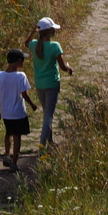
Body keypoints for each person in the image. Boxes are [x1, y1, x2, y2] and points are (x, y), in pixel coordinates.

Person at [23, 16, 74, 148]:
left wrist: (33, 31)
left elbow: (26, 43)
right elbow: (62, 66)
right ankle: (42, 144)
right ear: (50, 31)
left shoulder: (34, 45)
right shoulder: (55, 46)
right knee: (48, 116)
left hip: (39, 84)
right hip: (52, 84)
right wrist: (69, 68)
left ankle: (50, 142)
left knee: (46, 113)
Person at [0, 49, 36, 169]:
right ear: (18, 61)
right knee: (17, 137)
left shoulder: (0, 75)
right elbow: (24, 94)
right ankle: (14, 163)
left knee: (8, 133)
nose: (23, 63)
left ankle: (7, 154)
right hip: (18, 113)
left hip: (6, 113)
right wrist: (32, 104)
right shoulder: (21, 76)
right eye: (22, 60)